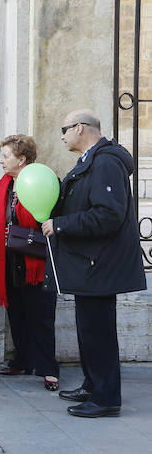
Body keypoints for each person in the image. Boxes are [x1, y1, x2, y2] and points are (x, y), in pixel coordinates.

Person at [41, 109, 145, 418]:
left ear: (80, 127)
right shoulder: (92, 161)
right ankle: (92, 385)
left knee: (98, 333)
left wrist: (60, 225)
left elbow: (108, 215)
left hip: (101, 264)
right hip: (90, 264)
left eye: (65, 129)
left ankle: (106, 398)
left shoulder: (105, 162)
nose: (62, 136)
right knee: (88, 330)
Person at [0, 135, 59, 390]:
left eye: (6, 156)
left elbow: (52, 219)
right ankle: (23, 359)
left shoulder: (44, 182)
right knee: (16, 313)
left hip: (36, 260)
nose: (2, 161)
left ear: (22, 159)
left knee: (41, 315)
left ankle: (49, 368)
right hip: (8, 259)